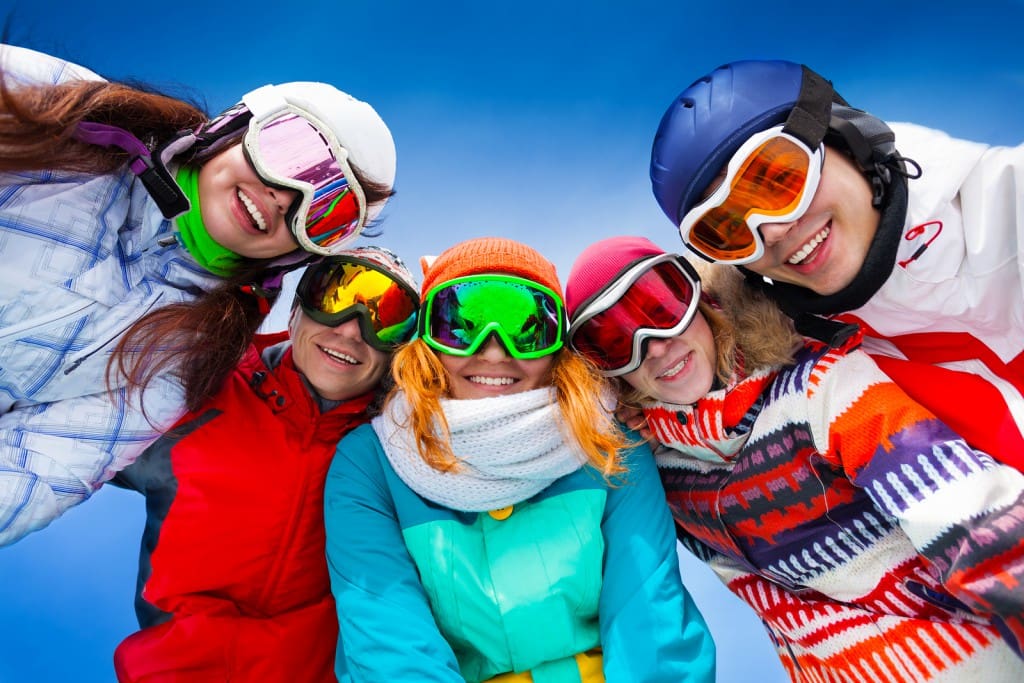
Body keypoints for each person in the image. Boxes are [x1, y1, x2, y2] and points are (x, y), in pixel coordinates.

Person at [565, 235, 1024, 682]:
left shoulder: (820, 388)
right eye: (615, 342)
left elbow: (962, 510)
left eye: (663, 308)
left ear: (703, 302)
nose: (656, 345)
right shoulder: (659, 472)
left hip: (966, 659)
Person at [0, 43, 396, 545]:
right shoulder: (65, 107)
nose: (286, 196)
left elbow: (34, 470)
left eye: (325, 212)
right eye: (291, 154)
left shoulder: (183, 356)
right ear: (235, 125)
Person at [323, 237, 716, 682]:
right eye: (462, 325)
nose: (494, 350)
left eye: (527, 327)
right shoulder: (373, 463)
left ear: (557, 350)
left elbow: (649, 619)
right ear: (427, 342)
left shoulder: (609, 445)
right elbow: (391, 646)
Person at [648, 59, 1024, 468]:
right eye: (728, 230)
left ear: (848, 138)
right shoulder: (812, 354)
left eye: (779, 180)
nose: (771, 231)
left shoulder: (1007, 205)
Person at [111, 247, 419, 682]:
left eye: (385, 317)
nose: (351, 329)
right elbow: (59, 440)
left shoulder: (399, 452)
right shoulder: (198, 391)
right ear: (295, 310)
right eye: (332, 297)